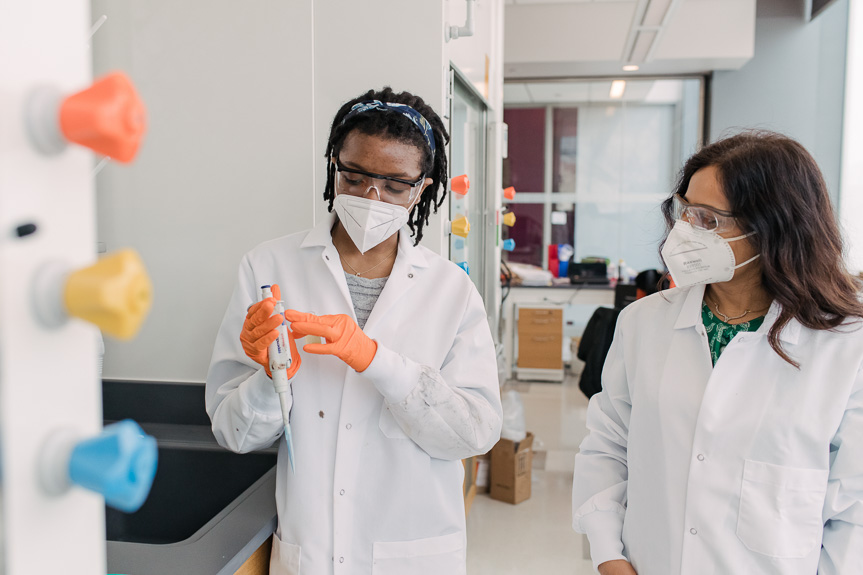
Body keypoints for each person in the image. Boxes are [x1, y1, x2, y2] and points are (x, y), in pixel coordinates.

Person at [206, 87, 502, 575]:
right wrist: (268, 377)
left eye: (394, 185)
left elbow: (474, 433)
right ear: (333, 168)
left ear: (423, 188)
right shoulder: (268, 267)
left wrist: (376, 360)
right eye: (356, 176)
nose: (372, 197)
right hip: (311, 554)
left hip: (411, 554)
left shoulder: (451, 290)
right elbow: (233, 434)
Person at [572, 131, 863, 575]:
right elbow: (607, 448)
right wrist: (610, 555)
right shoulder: (644, 323)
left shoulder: (846, 346)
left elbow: (853, 509)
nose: (686, 230)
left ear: (773, 227)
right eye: (685, 211)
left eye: (709, 220)